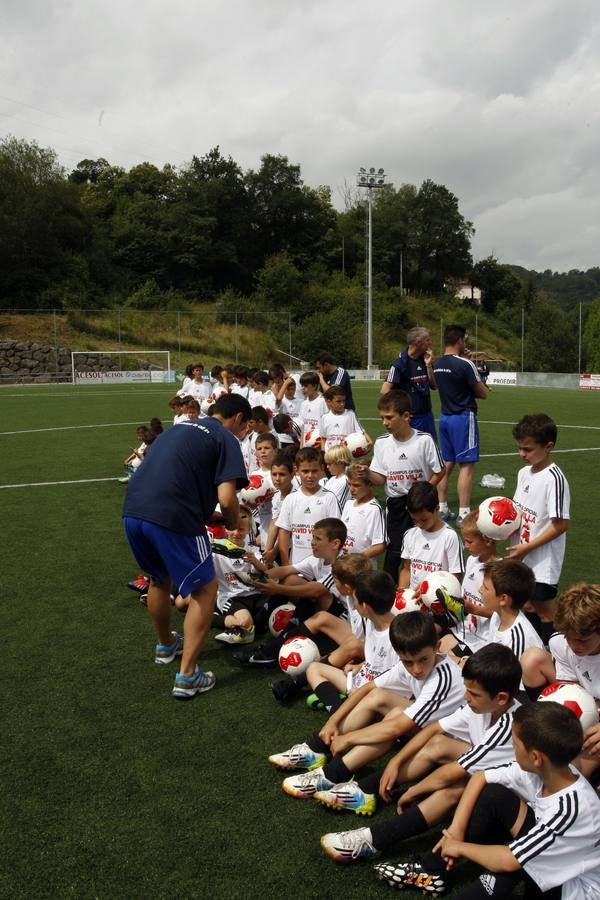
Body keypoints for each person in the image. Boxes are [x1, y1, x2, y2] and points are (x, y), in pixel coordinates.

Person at [375, 702, 600, 899]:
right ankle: (432, 870)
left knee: (515, 863)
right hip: (557, 861)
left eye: (515, 744)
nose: (512, 748)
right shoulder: (550, 770)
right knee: (493, 794)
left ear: (536, 757)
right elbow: (481, 776)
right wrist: (456, 829)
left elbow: (508, 860)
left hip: (574, 889)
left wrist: (459, 847)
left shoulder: (571, 810)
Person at [319, 643, 521, 859]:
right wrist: (396, 761)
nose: (466, 697)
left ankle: (376, 839)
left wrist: (413, 791)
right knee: (438, 743)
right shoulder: (485, 707)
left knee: (455, 787)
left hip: (510, 807)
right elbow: (435, 728)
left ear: (500, 698)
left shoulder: (509, 725)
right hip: (487, 776)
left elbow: (453, 772)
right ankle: (367, 789)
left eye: (472, 693)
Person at [122, 393, 251, 700]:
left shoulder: (180, 428)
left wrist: (213, 516)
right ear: (238, 419)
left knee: (158, 577)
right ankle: (188, 675)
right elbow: (227, 498)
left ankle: (166, 645)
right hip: (173, 515)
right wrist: (232, 521)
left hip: (134, 510)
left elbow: (173, 479)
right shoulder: (226, 438)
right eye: (244, 427)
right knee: (206, 589)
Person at [270, 611, 464, 800]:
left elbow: (397, 727)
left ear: (437, 646)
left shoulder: (442, 679)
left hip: (455, 746)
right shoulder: (410, 665)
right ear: (399, 655)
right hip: (435, 730)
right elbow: (368, 688)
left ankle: (332, 775)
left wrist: (348, 739)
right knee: (379, 696)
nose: (417, 669)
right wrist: (332, 721)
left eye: (423, 659)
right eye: (408, 662)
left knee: (396, 720)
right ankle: (316, 748)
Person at [521, 582, 600, 780]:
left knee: (571, 770)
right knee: (532, 659)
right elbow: (570, 688)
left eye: (582, 640)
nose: (574, 645)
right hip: (589, 703)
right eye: (569, 637)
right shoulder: (560, 643)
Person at [367, 390, 445, 581]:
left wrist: (424, 491)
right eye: (382, 418)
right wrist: (367, 473)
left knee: (425, 544)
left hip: (421, 504)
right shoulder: (382, 443)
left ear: (406, 416)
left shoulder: (424, 440)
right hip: (396, 504)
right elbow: (380, 478)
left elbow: (440, 471)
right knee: (395, 549)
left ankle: (426, 583)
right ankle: (388, 589)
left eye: (389, 417)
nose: (384, 422)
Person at [509, 413, 570, 642]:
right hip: (522, 556)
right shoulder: (524, 473)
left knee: (546, 610)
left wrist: (528, 547)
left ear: (548, 446)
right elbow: (519, 512)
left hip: (542, 561)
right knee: (529, 606)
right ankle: (535, 649)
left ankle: (556, 653)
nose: (522, 454)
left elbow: (561, 524)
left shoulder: (554, 478)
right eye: (520, 448)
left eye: (527, 449)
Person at [432, 324, 488, 526]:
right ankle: (465, 514)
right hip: (463, 417)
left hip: (445, 417)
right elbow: (483, 392)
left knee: (446, 464)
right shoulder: (465, 364)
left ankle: (443, 507)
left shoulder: (438, 364)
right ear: (460, 341)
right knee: (466, 466)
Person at [275, 447, 341, 565]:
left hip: (322, 567)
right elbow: (284, 532)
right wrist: (285, 566)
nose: (310, 475)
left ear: (322, 469)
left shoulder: (329, 498)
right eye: (305, 471)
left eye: (314, 471)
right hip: (295, 566)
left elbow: (336, 533)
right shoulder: (290, 499)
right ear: (296, 470)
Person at [397, 482, 464, 591]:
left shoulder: (450, 537)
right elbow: (406, 569)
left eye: (424, 520)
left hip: (439, 602)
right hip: (413, 601)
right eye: (414, 519)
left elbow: (455, 577)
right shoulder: (410, 534)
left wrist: (429, 593)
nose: (419, 524)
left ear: (437, 509)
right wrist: (402, 591)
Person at [381, 327, 437, 439]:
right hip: (411, 418)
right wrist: (399, 410)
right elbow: (384, 391)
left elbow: (434, 386)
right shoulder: (399, 364)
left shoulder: (424, 359)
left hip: (427, 415)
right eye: (427, 340)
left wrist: (428, 365)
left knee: (431, 450)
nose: (430, 343)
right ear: (418, 342)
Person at [341, 464, 387, 567]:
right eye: (349, 484)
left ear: (370, 484)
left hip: (363, 569)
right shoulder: (348, 504)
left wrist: (355, 559)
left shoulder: (374, 509)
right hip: (345, 565)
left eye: (356, 485)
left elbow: (380, 546)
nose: (351, 489)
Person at [320, 385, 372, 452]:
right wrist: (323, 451)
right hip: (330, 456)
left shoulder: (350, 414)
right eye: (338, 401)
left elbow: (361, 431)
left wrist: (369, 440)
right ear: (329, 401)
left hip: (346, 455)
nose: (342, 404)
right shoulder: (325, 417)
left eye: (343, 401)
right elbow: (323, 438)